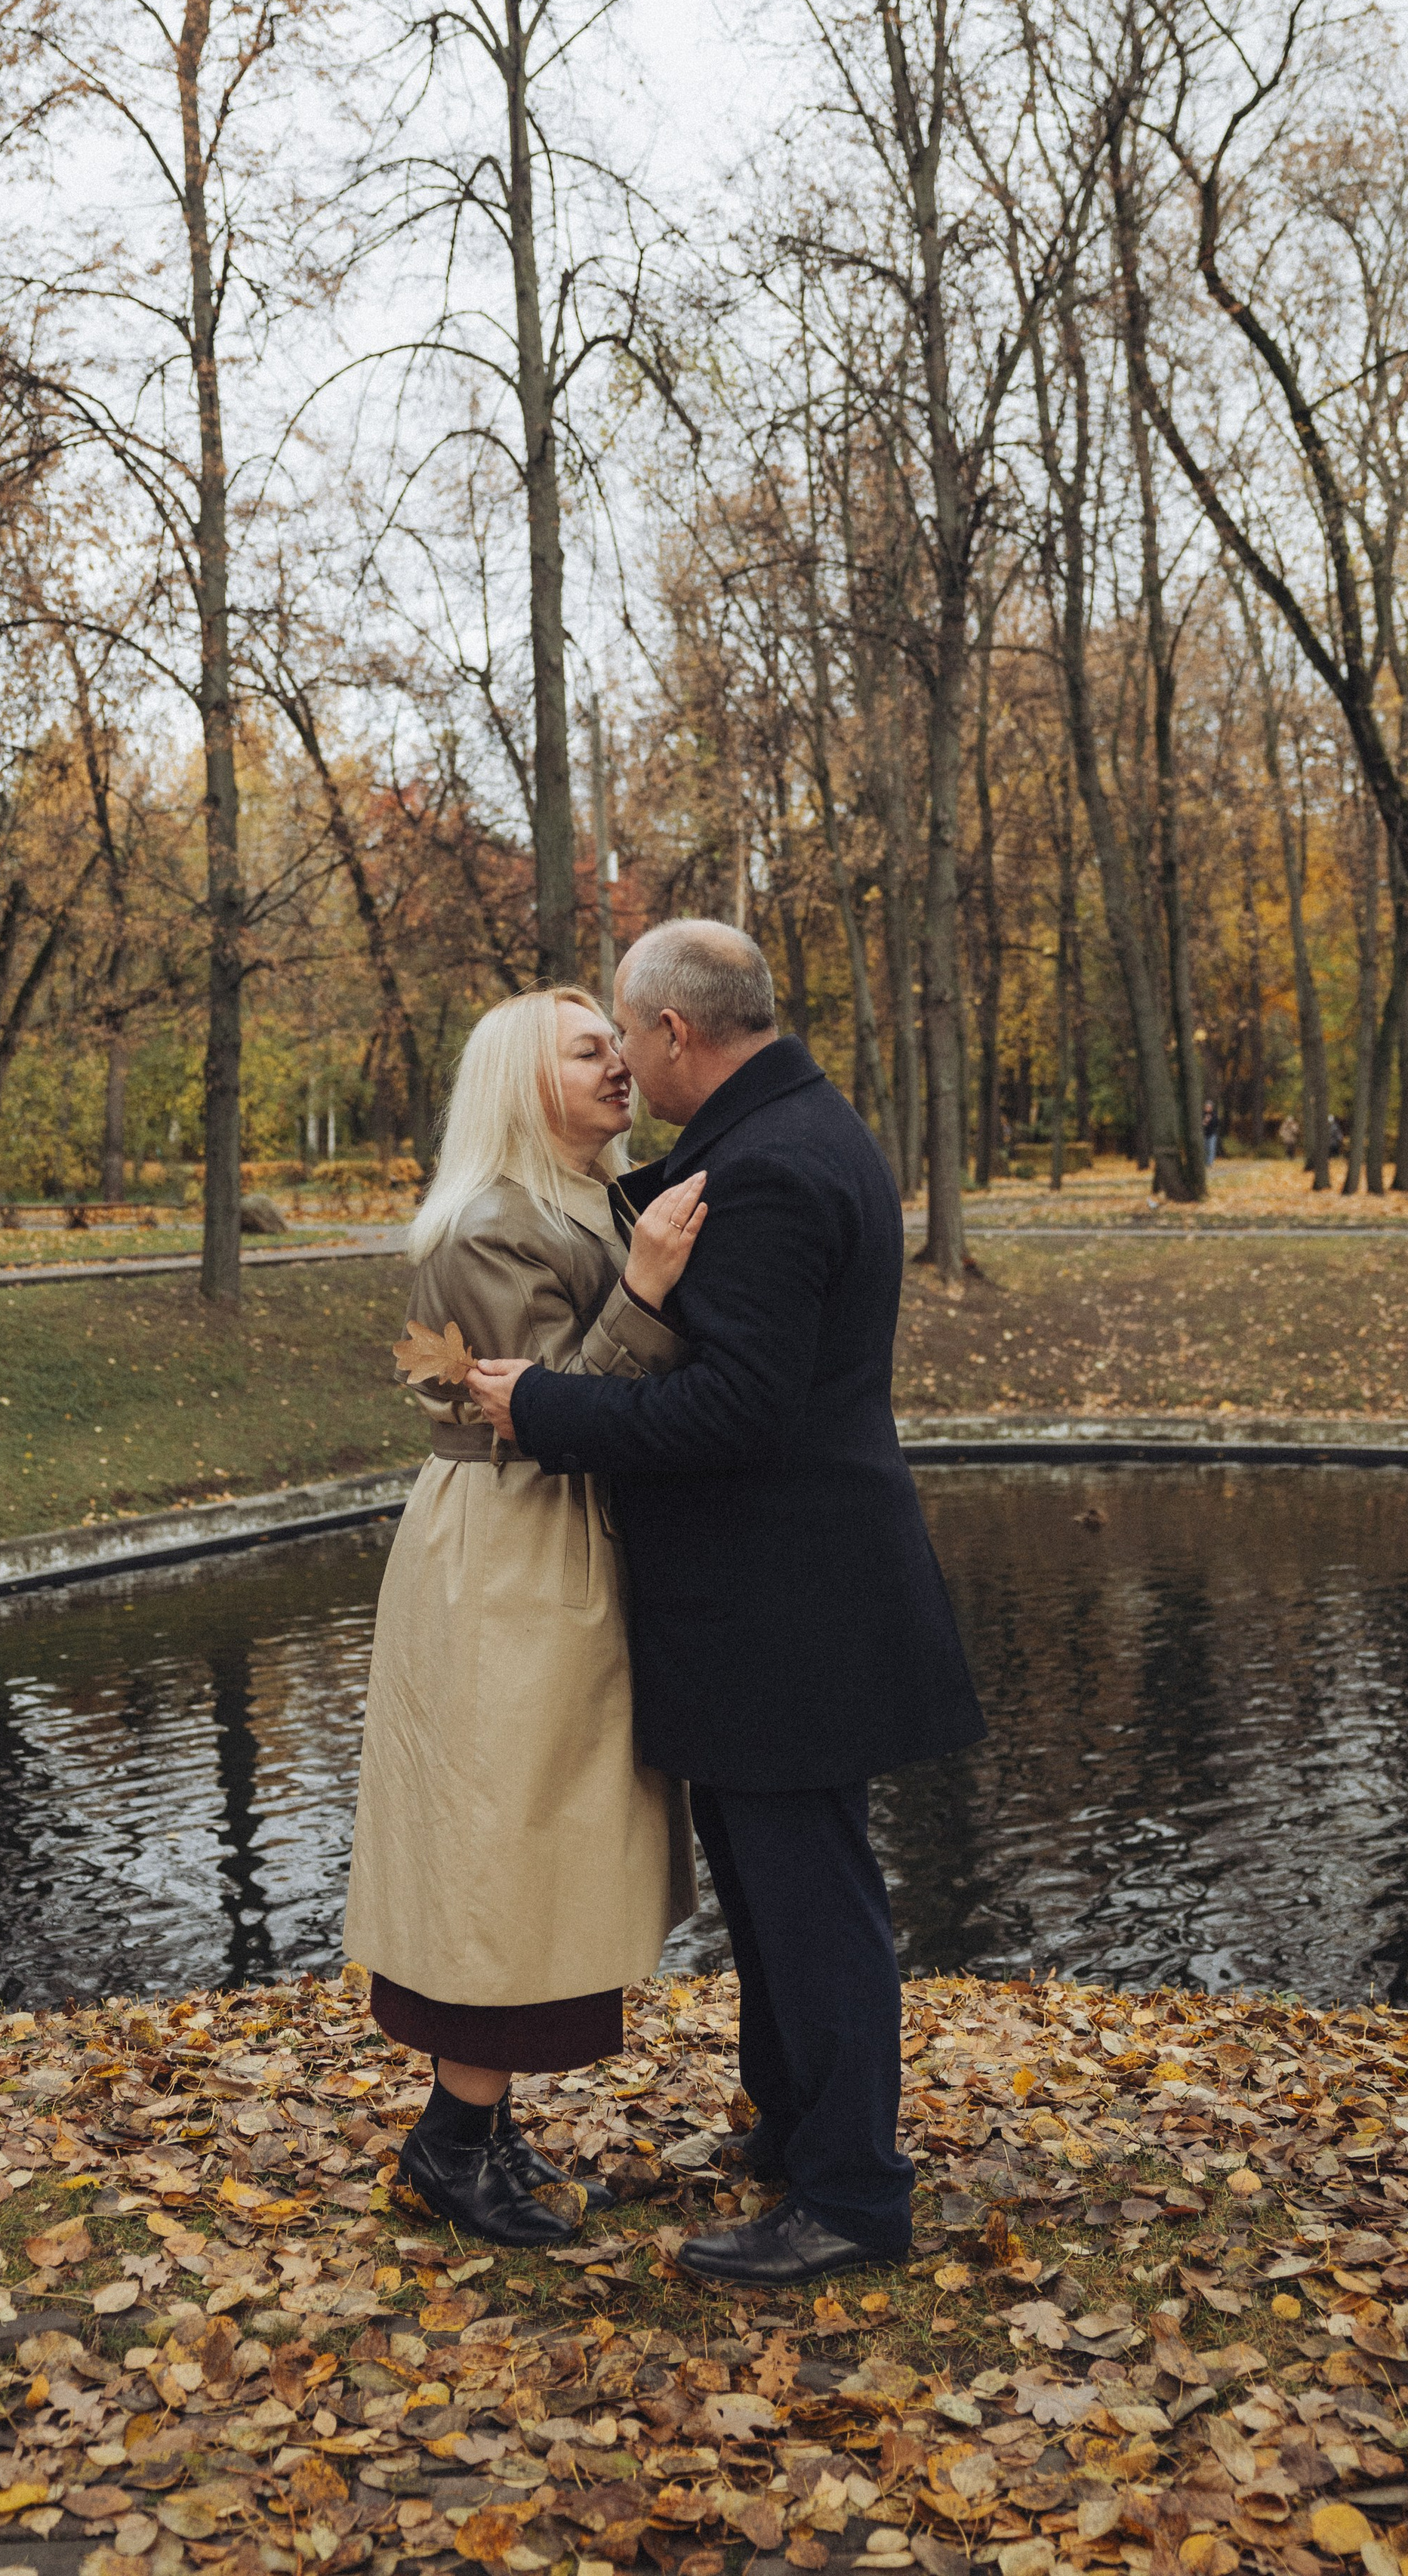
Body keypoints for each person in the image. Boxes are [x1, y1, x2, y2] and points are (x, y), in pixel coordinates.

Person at [468, 921, 984, 2289]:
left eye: (629, 1038)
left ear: (677, 1033)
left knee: (812, 1903)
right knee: (772, 1894)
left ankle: (855, 2197)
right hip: (784, 1599)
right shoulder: (794, 1130)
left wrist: (546, 1405)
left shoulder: (767, 1169)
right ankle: (801, 2129)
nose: (628, 1065)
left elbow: (738, 1410)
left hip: (790, 1609)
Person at [342, 987, 707, 2248]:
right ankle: (450, 2145)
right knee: (498, 1829)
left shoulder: (583, 1197)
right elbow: (540, 1413)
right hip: (510, 1551)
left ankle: (481, 2130)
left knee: (539, 1826)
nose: (622, 1064)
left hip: (556, 1544)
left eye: (621, 1042)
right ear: (518, 1081)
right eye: (590, 1050)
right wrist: (650, 1286)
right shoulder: (491, 1227)